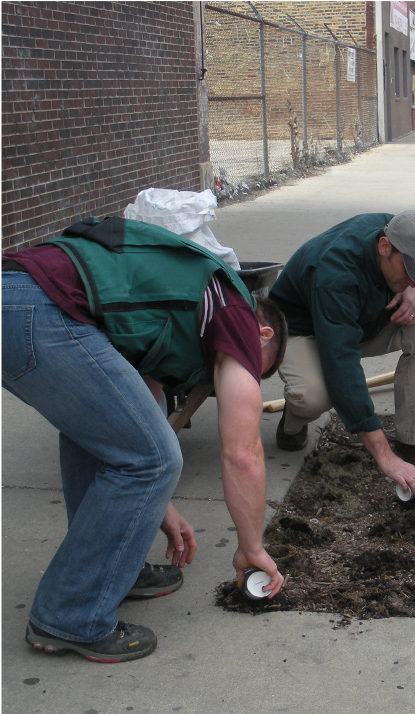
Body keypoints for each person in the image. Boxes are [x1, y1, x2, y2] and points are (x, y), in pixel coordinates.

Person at [0, 216, 288, 662]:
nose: (245, 378)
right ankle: (70, 614)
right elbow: (243, 453)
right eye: (258, 368)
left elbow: (130, 416)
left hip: (18, 297)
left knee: (105, 442)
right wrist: (251, 548)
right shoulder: (236, 315)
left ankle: (110, 573)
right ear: (262, 335)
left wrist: (158, 505)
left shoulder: (181, 314)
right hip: (40, 306)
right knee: (154, 458)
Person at [268, 211, 415, 499]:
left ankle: (412, 439)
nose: (414, 277)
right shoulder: (335, 273)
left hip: (357, 320)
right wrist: (383, 455)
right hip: (303, 329)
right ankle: (293, 422)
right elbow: (342, 363)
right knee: (313, 395)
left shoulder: (399, 228)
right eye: (410, 270)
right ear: (384, 247)